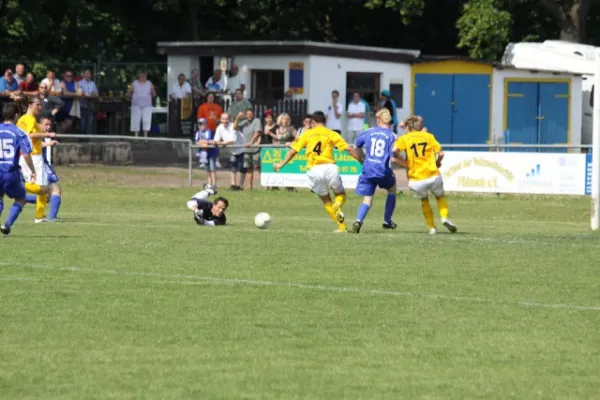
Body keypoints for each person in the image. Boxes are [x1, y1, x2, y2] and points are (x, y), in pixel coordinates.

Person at [273, 111, 361, 233]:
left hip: (314, 170)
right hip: (330, 168)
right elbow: (349, 149)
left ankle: (341, 227)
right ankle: (337, 205)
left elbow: (293, 151)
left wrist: (281, 164)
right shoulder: (331, 133)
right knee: (341, 195)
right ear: (324, 121)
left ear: (313, 122)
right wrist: (362, 162)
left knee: (326, 200)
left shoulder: (307, 134)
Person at [393, 116, 457, 235]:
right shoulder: (429, 136)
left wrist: (399, 158)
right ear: (420, 127)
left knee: (424, 200)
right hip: (432, 175)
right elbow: (441, 153)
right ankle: (444, 218)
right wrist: (437, 162)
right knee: (440, 197)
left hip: (416, 179)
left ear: (409, 127)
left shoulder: (405, 138)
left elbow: (394, 149)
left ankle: (432, 228)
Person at [351, 109, 400, 233]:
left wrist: (363, 160)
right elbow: (393, 156)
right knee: (392, 189)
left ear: (378, 120)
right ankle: (387, 221)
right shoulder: (392, 136)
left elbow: (356, 148)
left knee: (367, 199)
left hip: (368, 169)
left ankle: (358, 220)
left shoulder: (368, 132)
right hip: (383, 170)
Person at [17, 97, 56, 223]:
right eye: (37, 105)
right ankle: (19, 187)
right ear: (30, 105)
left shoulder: (23, 119)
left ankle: (40, 216)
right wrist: (47, 135)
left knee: (42, 186)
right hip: (33, 156)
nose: (39, 107)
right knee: (42, 187)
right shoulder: (28, 119)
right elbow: (29, 135)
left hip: (29, 155)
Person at [0, 102, 37, 236]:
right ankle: (7, 224)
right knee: (20, 198)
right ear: (16, 115)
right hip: (10, 172)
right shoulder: (19, 132)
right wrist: (32, 170)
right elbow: (26, 154)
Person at [194, 118, 217, 188]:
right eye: (200, 124)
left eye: (203, 124)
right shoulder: (198, 133)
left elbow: (207, 141)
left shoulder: (208, 131)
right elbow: (196, 142)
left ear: (206, 125)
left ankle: (214, 184)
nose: (201, 126)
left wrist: (201, 142)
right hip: (203, 153)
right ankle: (209, 184)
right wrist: (201, 142)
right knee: (207, 169)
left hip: (211, 153)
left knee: (212, 169)